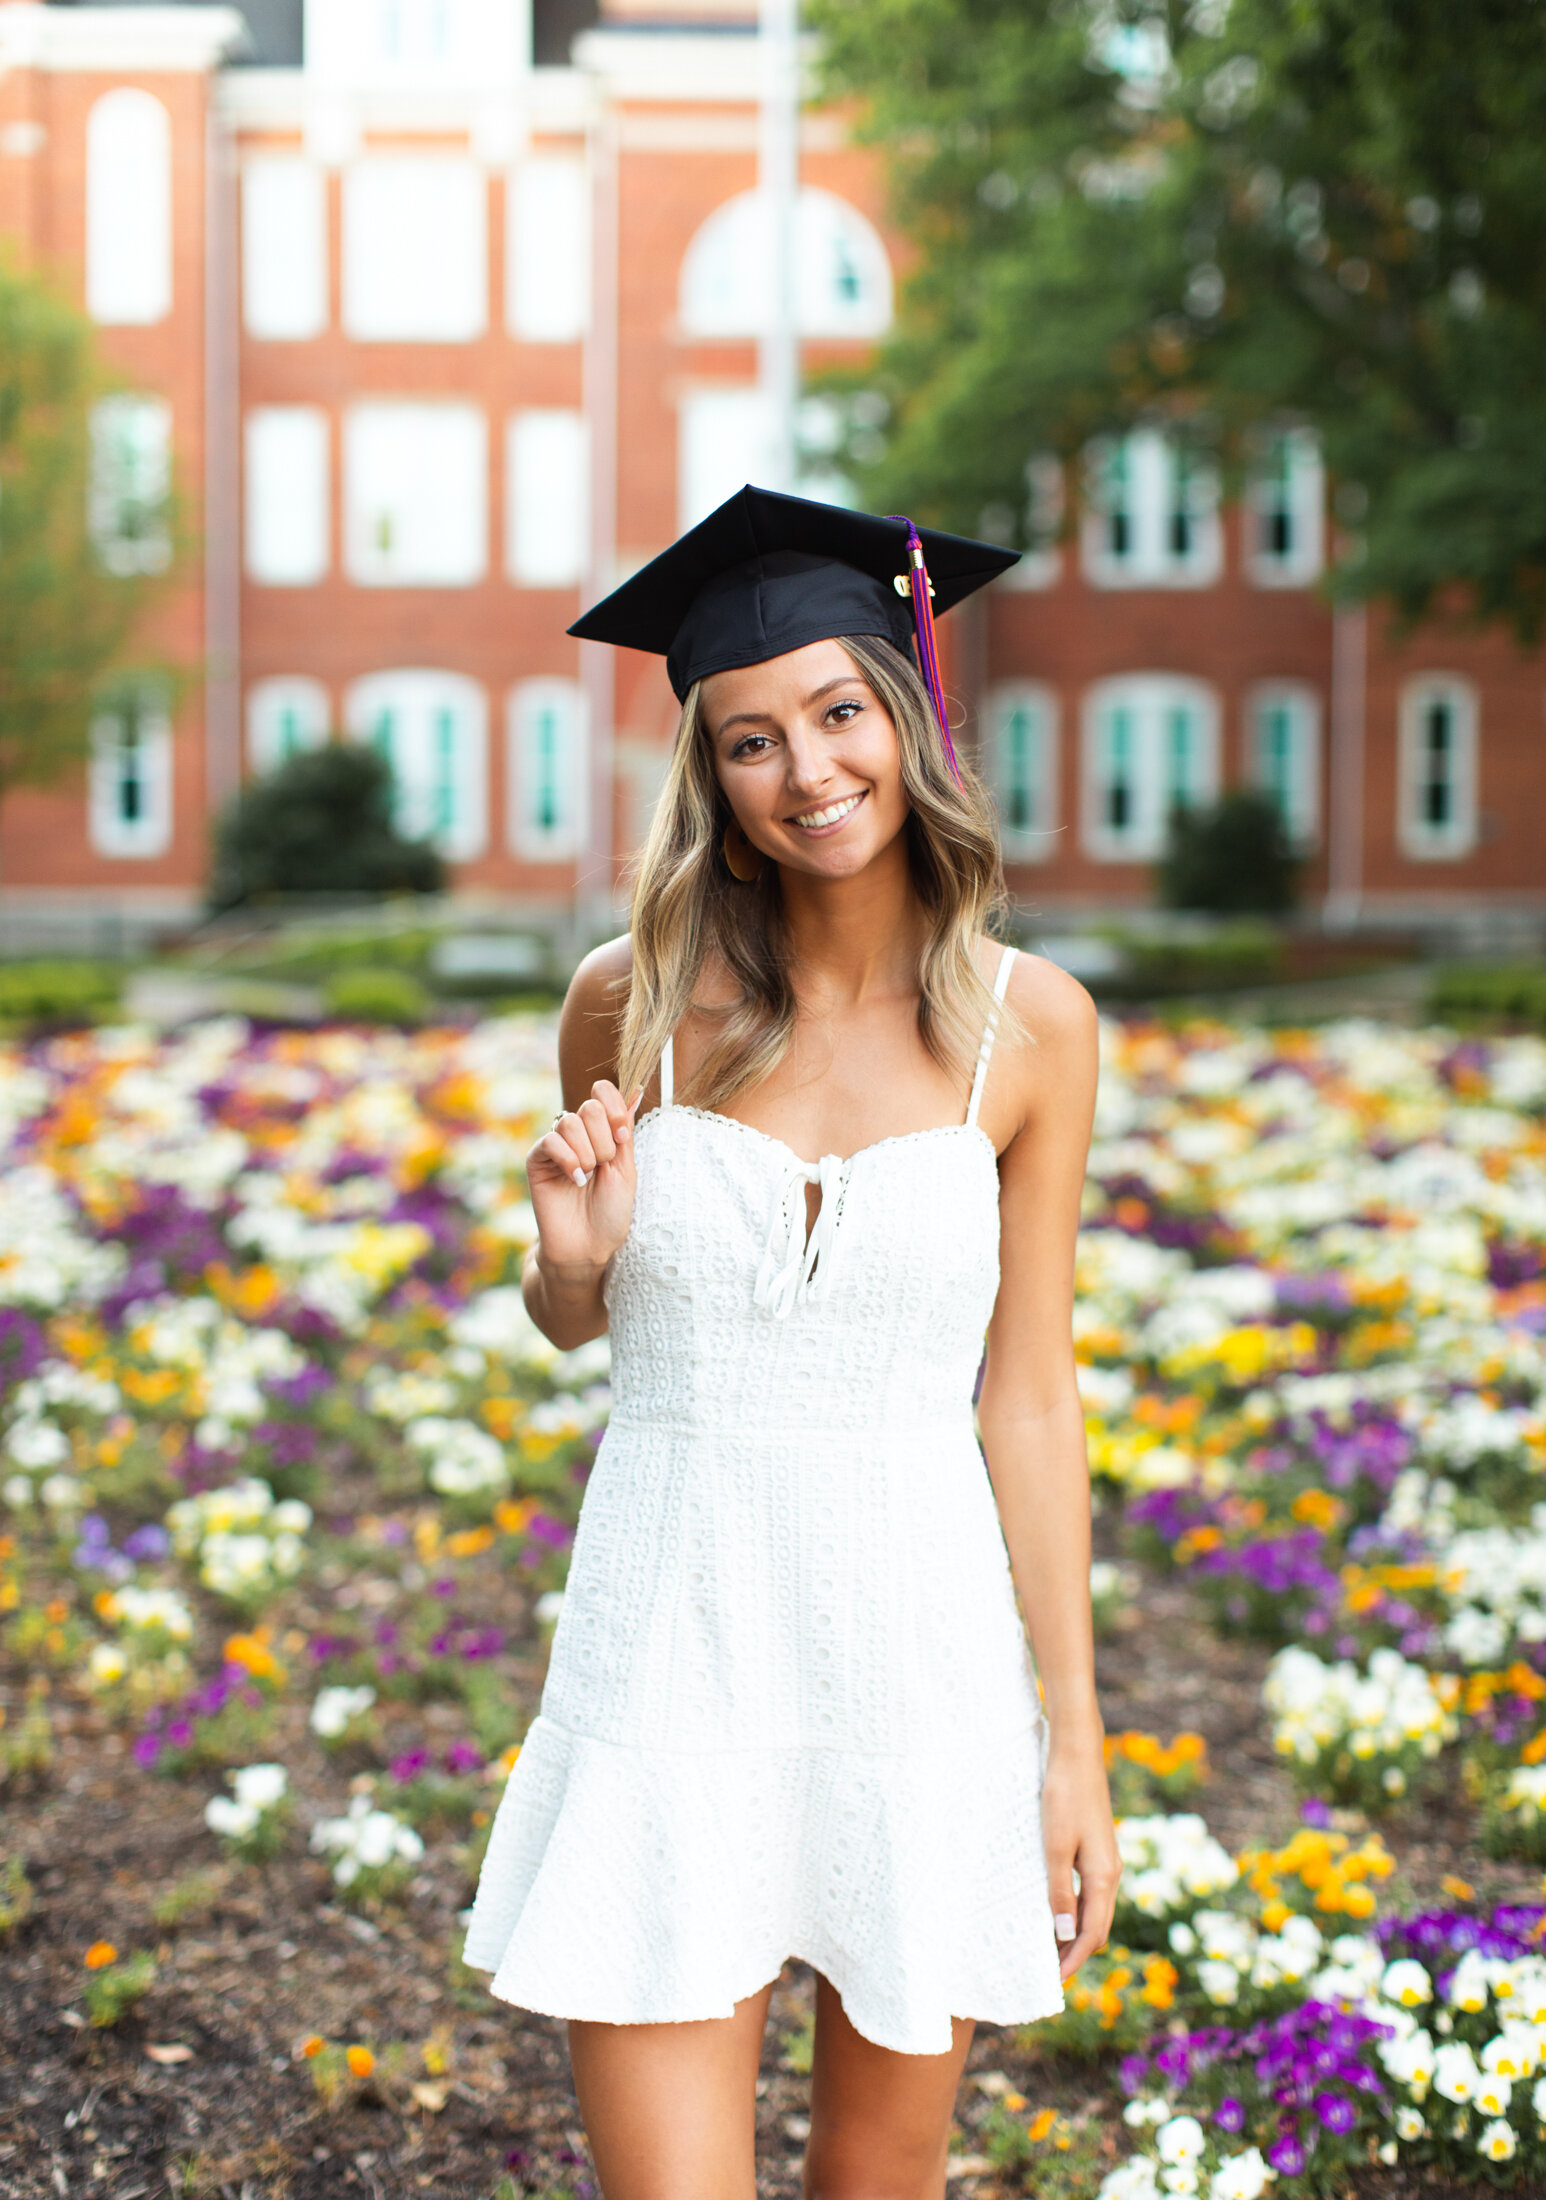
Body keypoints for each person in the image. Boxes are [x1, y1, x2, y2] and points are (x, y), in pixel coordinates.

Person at [462, 486, 1120, 2200]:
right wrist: (571, 1262)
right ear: (713, 774)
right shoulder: (630, 998)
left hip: (920, 1664)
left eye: (838, 712)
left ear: (902, 718)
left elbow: (1029, 1399)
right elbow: (574, 1318)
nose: (806, 768)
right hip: (669, 1645)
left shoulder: (1029, 1030)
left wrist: (1077, 1745)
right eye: (750, 737)